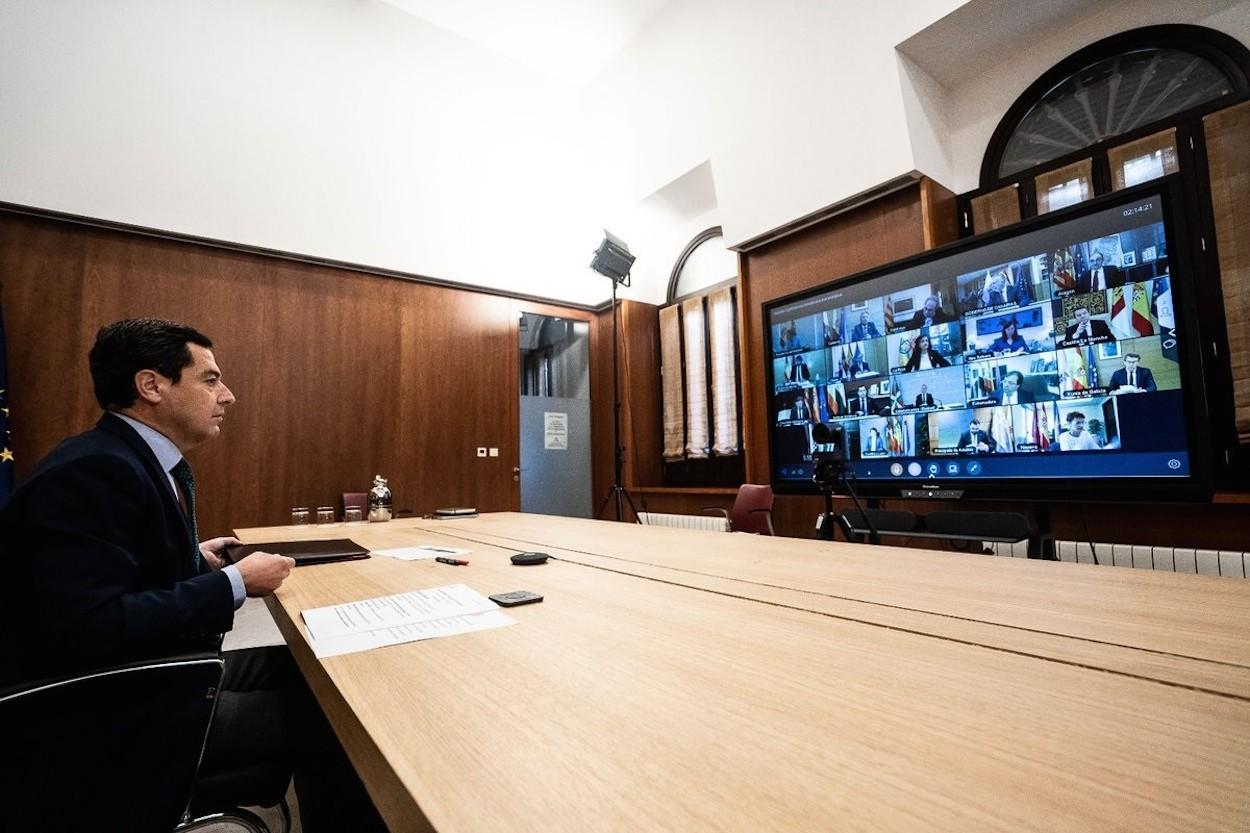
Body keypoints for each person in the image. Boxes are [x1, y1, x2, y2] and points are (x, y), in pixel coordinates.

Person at [0, 319, 384, 832]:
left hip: (155, 666)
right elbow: (85, 625)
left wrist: (192, 560)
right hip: (111, 710)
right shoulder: (95, 471)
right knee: (341, 717)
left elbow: (114, 573)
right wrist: (234, 583)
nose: (228, 395)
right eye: (209, 379)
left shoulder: (122, 458)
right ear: (152, 385)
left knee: (311, 665)